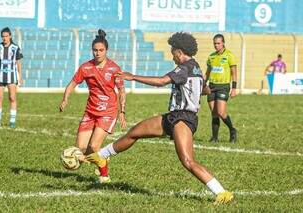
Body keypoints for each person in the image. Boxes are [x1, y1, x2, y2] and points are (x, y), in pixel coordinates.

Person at [82, 32, 234, 204]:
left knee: (188, 161)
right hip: (173, 116)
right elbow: (205, 89)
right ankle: (102, 155)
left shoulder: (184, 68)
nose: (172, 56)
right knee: (135, 132)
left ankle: (222, 192)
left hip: (183, 118)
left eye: (173, 52)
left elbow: (162, 81)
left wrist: (133, 77)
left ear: (179, 51)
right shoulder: (196, 67)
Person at [59, 29, 127, 183]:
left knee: (94, 146)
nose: (98, 53)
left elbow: (122, 90)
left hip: (108, 112)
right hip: (90, 112)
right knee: (81, 150)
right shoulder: (86, 68)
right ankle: (103, 159)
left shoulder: (114, 68)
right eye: (95, 50)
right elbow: (72, 84)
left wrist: (122, 111)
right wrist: (65, 99)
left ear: (106, 51)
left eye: (101, 50)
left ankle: (105, 177)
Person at [0, 27, 23, 128]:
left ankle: (12, 121)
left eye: (6, 36)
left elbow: (18, 63)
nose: (4, 38)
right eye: (3, 36)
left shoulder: (15, 48)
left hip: (11, 76)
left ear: (10, 36)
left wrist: (20, 76)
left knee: (12, 97)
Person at [205, 34, 237, 143]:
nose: (216, 45)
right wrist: (203, 85)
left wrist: (234, 88)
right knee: (214, 113)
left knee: (221, 112)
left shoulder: (229, 55)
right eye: (214, 43)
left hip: (223, 86)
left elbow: (234, 73)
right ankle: (214, 138)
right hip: (211, 86)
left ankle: (232, 130)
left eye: (218, 43)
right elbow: (207, 73)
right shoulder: (211, 57)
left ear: (223, 43)